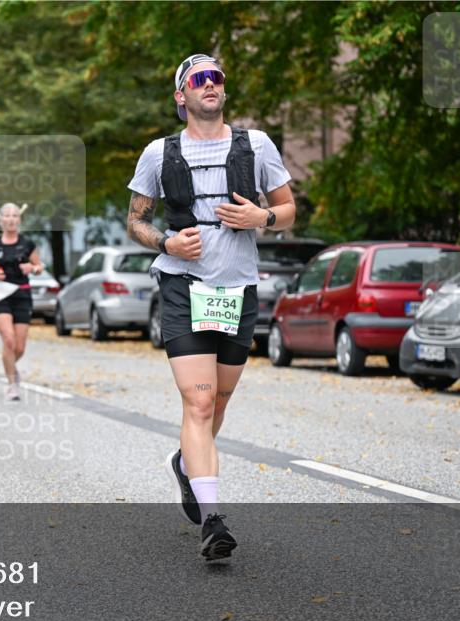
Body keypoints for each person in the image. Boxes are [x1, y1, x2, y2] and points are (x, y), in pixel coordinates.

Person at [126, 53, 295, 561]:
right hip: (183, 286)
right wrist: (166, 245)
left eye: (217, 77)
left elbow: (287, 211)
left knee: (217, 403)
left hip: (237, 289)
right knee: (198, 403)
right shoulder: (159, 153)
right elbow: (135, 221)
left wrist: (260, 216)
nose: (211, 84)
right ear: (181, 96)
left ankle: (186, 464)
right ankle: (213, 519)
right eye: (199, 79)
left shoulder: (256, 145)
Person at [0, 203, 43, 401]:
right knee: (9, 340)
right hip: (1, 294)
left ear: (19, 220)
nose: (11, 219)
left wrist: (32, 268)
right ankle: (12, 383)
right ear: (1, 220)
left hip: (22, 295)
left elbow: (39, 266)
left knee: (19, 347)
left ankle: (9, 364)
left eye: (14, 216)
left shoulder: (27, 244)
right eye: (7, 216)